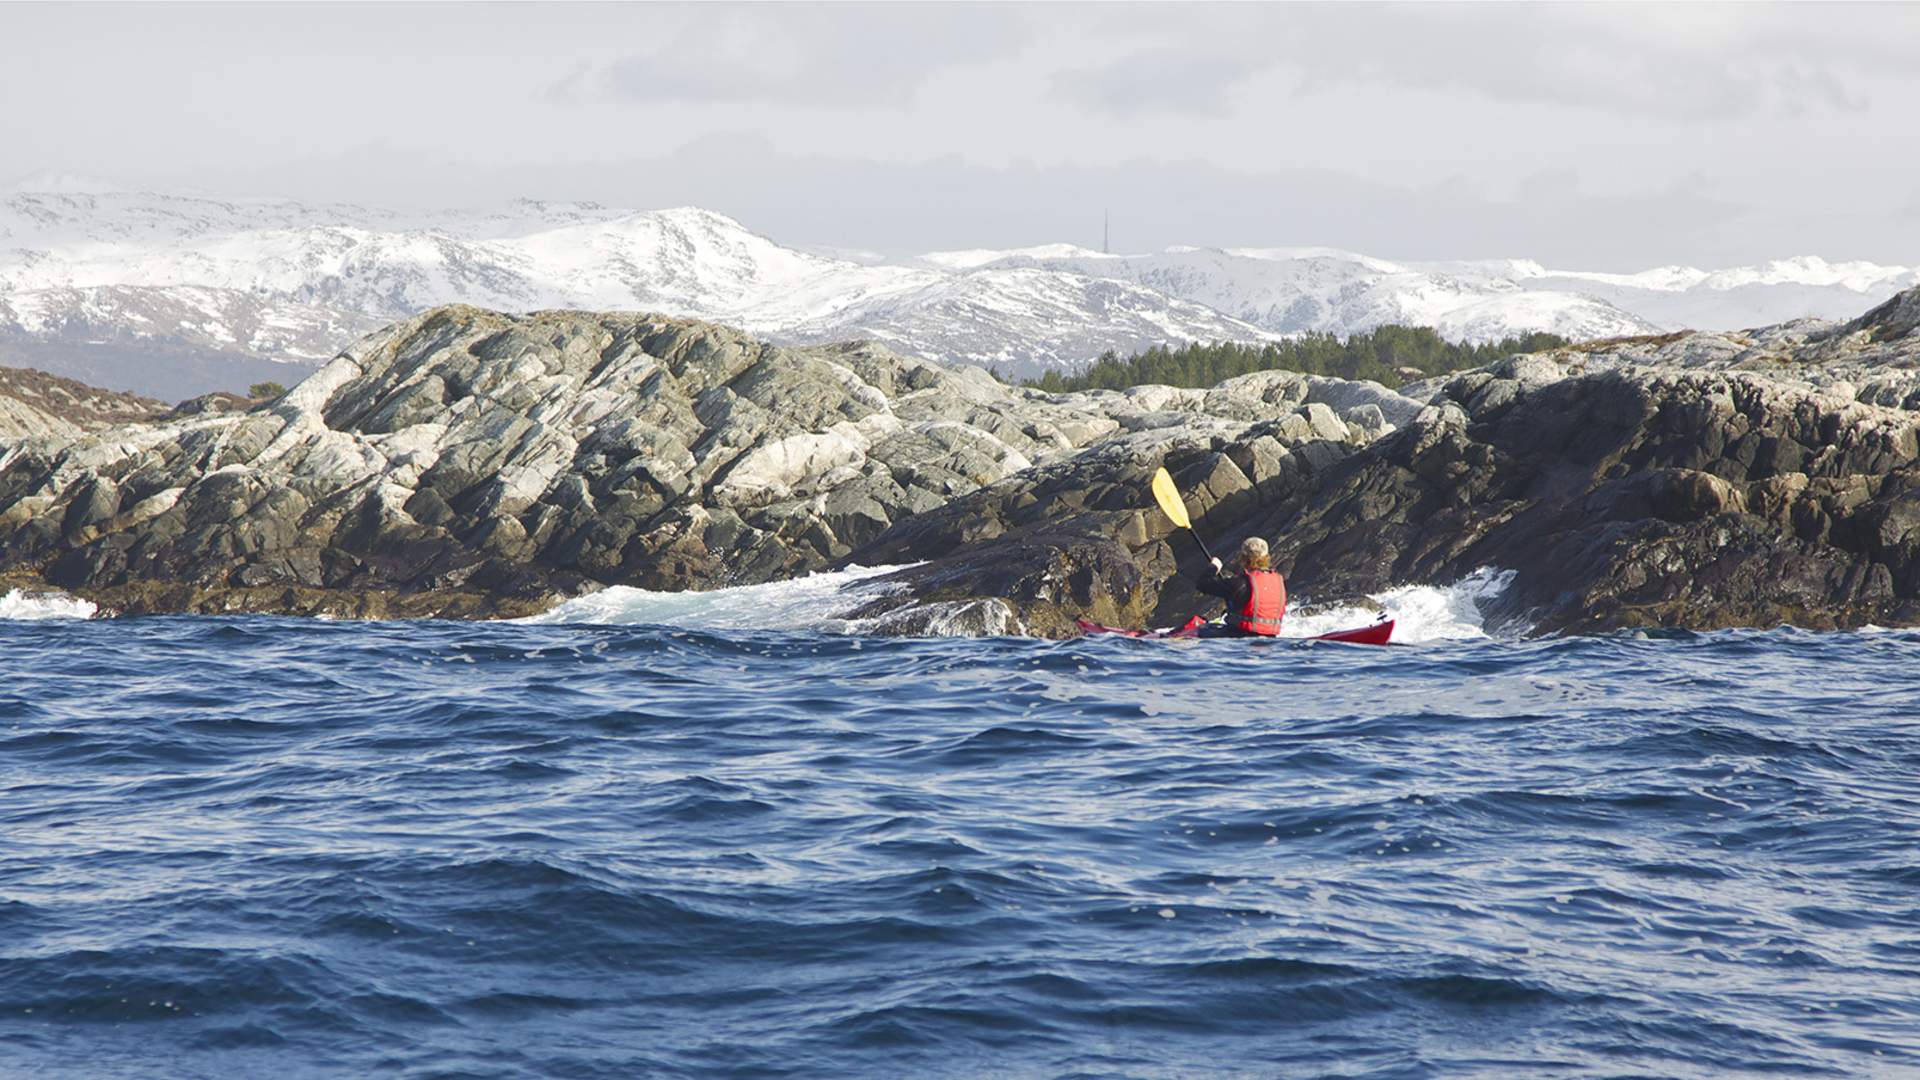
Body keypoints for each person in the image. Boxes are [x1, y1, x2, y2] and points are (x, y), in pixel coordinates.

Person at [1194, 536, 1287, 637]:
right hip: (1270, 637)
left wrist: (1214, 567)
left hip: (1239, 636)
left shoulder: (1239, 584)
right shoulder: (1278, 582)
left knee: (1195, 629)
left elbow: (1202, 584)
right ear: (1267, 557)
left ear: (1243, 558)